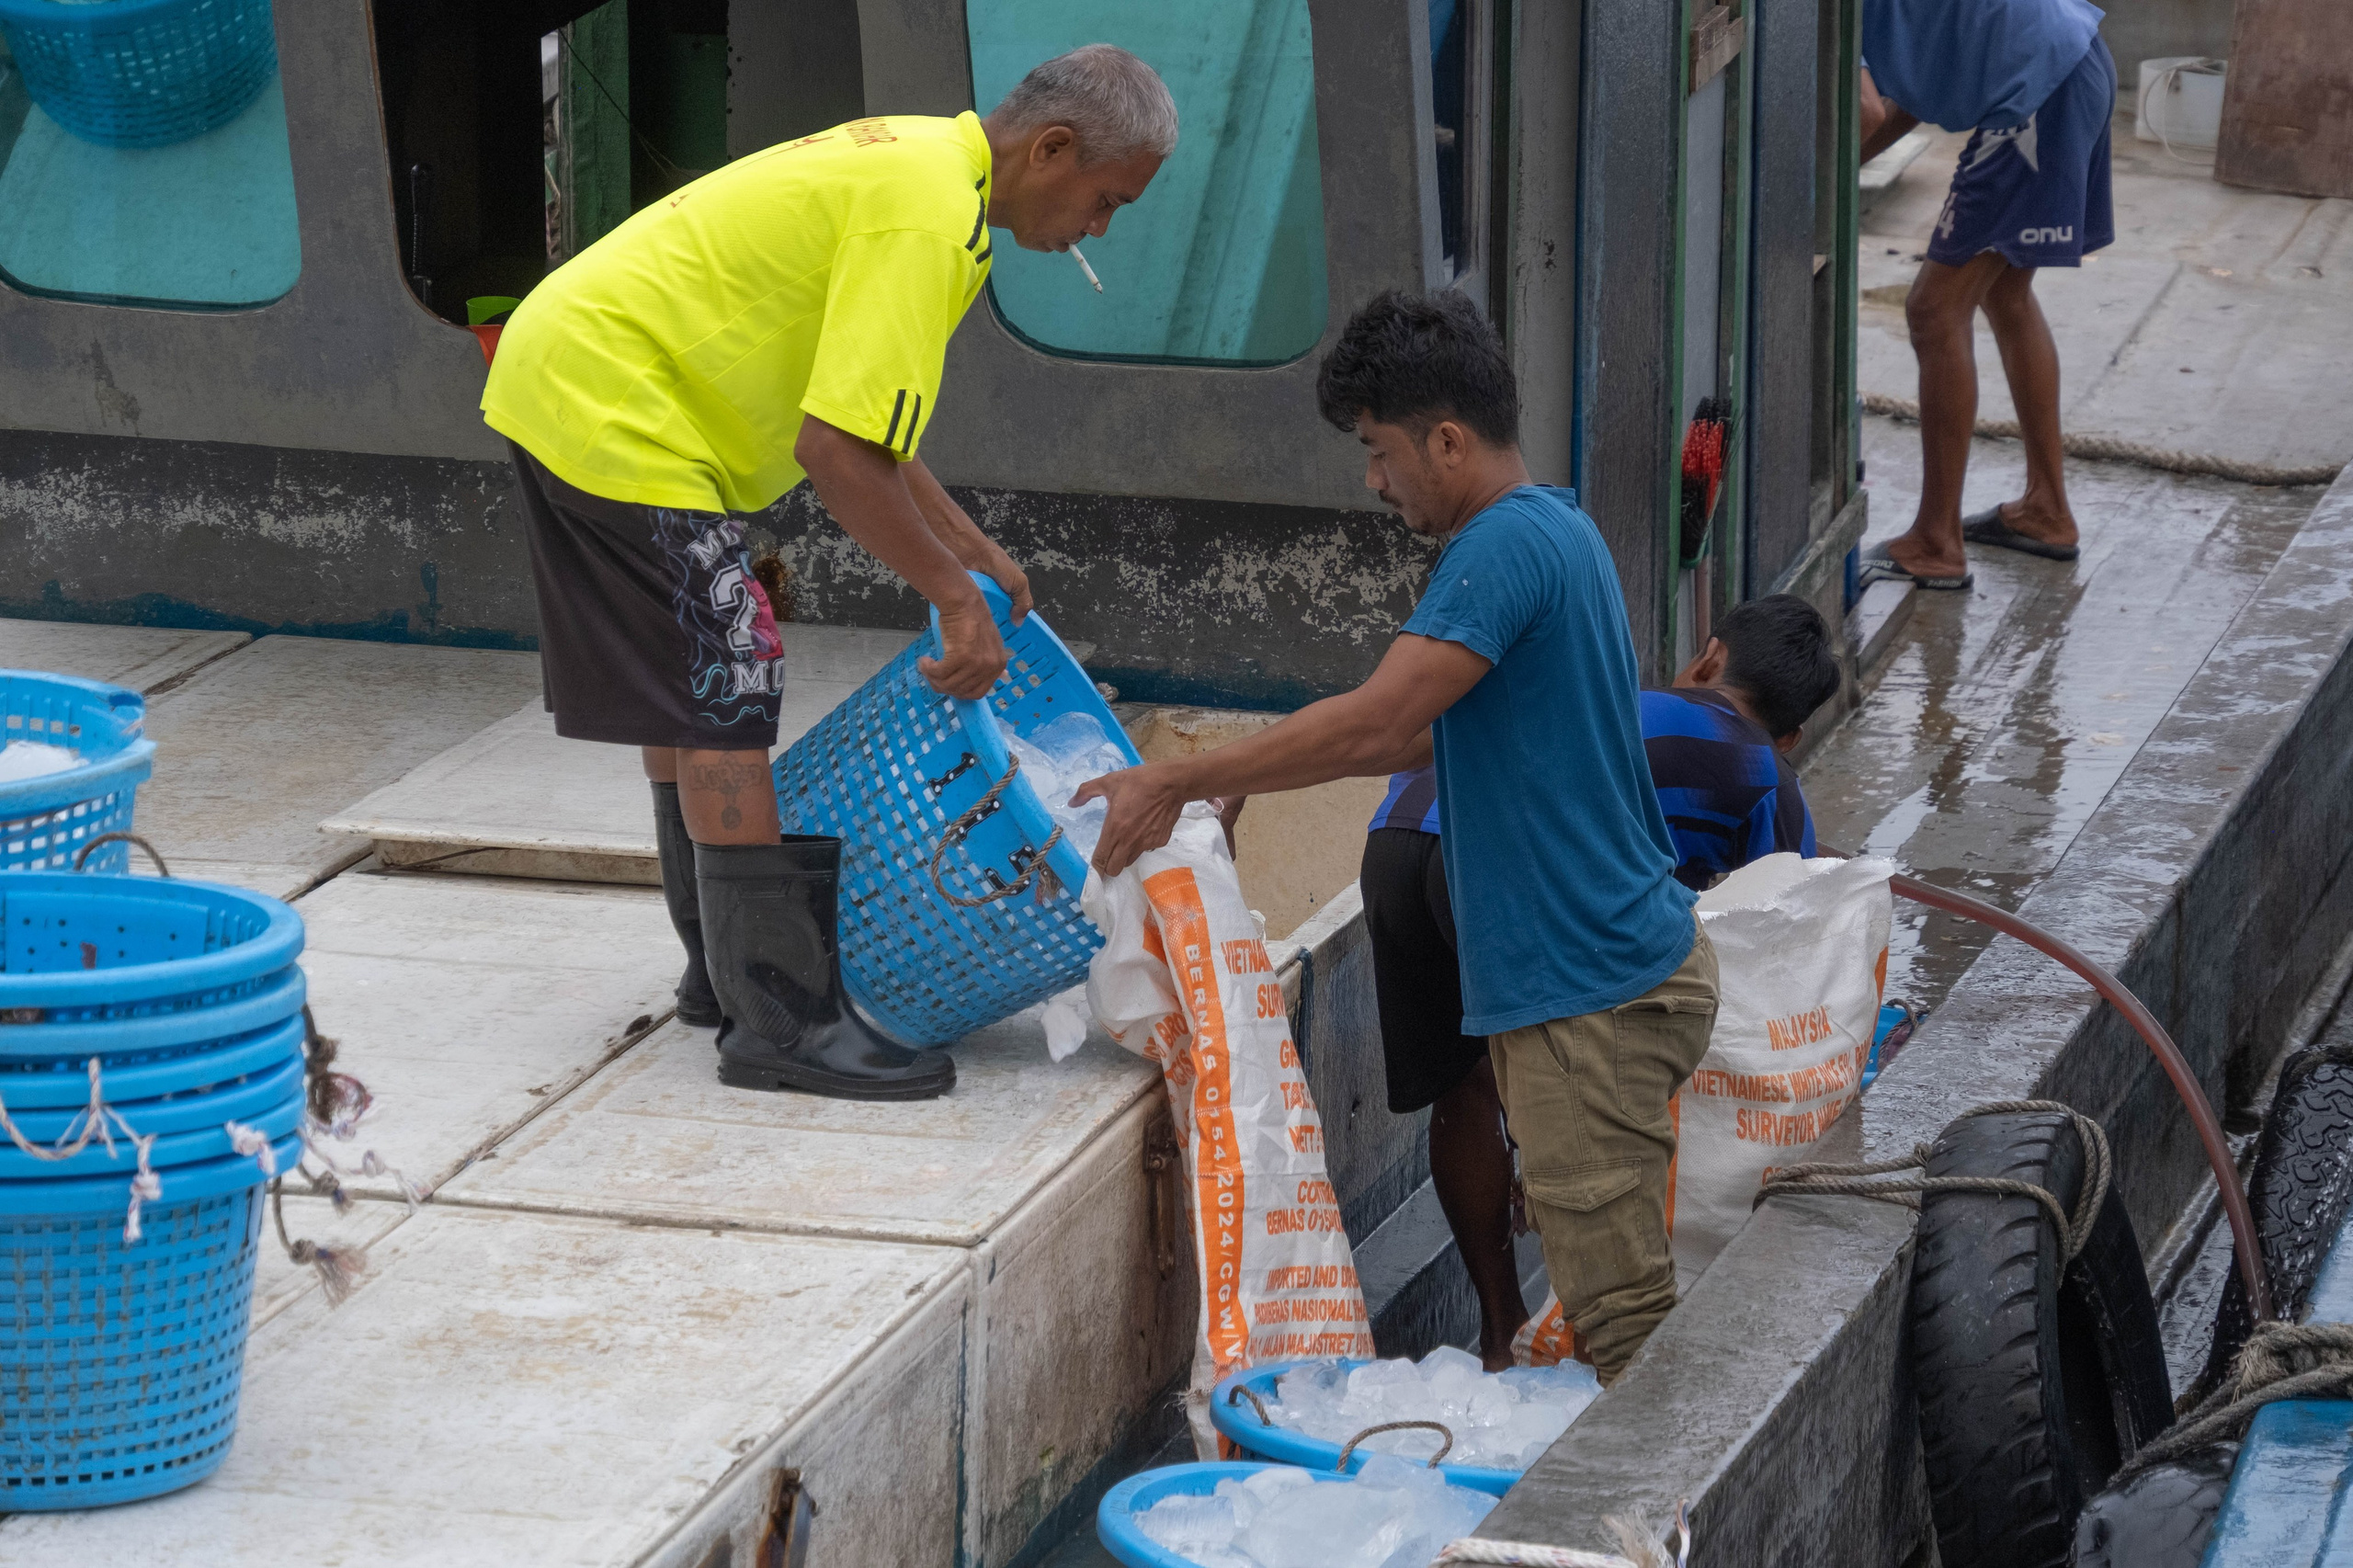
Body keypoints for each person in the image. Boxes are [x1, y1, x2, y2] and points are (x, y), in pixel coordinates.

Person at [481, 47, 1175, 1101]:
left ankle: (723, 975)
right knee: (728, 673)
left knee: (700, 673)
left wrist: (971, 549)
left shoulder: (934, 181)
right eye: (1105, 200)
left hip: (586, 374)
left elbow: (868, 419)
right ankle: (782, 1019)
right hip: (613, 397)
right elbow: (836, 455)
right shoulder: (924, 215)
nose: (1099, 228)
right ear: (1053, 148)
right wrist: (949, 595)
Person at [1076, 290, 1719, 1385]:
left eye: (1378, 452)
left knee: (1631, 1338)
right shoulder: (1556, 528)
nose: (1373, 480)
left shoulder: (1499, 547)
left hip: (1586, 999)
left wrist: (1178, 774)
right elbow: (1419, 730)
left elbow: (1378, 715)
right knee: (1625, 1311)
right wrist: (1244, 790)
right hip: (1617, 967)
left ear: (1448, 441)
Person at [1238, 591, 1836, 1367]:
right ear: (1791, 734)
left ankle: (1498, 1329)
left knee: (1466, 1083)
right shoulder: (1765, 772)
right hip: (1489, 863)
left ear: (1709, 658)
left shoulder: (1611, 697)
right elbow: (1793, 922)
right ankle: (1594, 1335)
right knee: (1587, 1070)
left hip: (1396, 843)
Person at [1856, 0, 2114, 592]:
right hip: (2075, 62)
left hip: (2035, 94)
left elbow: (1867, 111)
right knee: (2005, 292)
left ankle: (1936, 542)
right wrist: (1837, 176)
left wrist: (1804, 193)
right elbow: (1911, 100)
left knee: (1933, 310)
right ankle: (2047, 510)